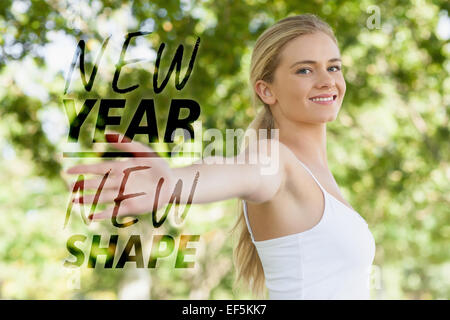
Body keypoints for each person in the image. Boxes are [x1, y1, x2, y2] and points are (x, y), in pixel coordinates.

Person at [67, 14, 376, 300]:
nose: (326, 80)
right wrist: (175, 183)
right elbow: (242, 172)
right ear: (267, 91)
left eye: (333, 67)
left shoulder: (319, 174)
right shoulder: (273, 158)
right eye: (305, 70)